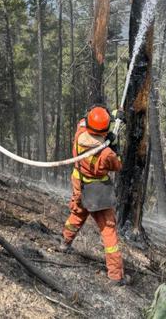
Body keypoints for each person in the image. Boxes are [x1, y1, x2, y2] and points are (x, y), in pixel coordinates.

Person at [57, 105, 127, 285]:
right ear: (104, 131)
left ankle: (64, 243)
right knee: (108, 230)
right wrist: (115, 144)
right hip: (97, 191)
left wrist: (112, 117)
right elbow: (118, 165)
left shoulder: (79, 135)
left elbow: (85, 120)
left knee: (77, 215)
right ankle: (115, 275)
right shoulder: (106, 153)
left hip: (79, 184)